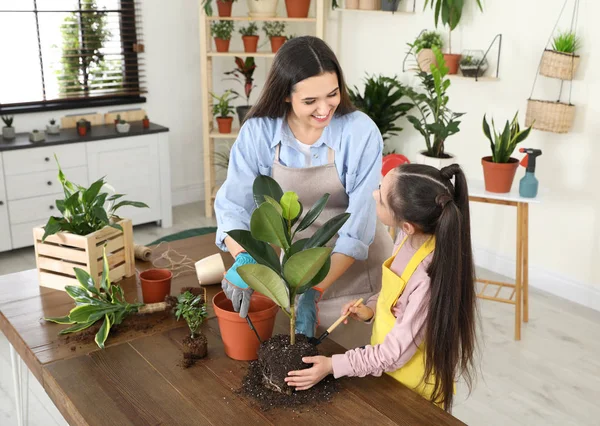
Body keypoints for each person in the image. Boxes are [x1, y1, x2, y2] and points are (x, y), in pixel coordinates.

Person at [214, 35, 393, 347]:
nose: (324, 109)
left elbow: (358, 228)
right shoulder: (258, 132)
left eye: (332, 94)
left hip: (359, 277)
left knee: (368, 377)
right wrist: (245, 260)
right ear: (285, 96)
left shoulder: (359, 132)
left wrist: (314, 288)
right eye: (310, 101)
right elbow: (234, 205)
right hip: (297, 270)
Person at [285, 163, 478, 411]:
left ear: (407, 224)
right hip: (387, 377)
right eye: (380, 186)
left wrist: (332, 365)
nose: (374, 194)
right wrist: (372, 309)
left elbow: (392, 355)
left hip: (412, 392)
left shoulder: (428, 277)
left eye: (381, 198)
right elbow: (396, 295)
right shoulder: (406, 238)